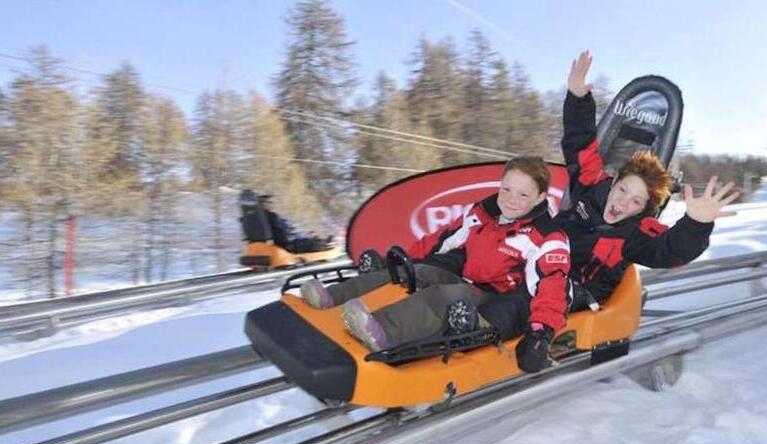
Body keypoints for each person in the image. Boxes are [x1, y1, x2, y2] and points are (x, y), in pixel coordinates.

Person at [300, 156, 571, 372]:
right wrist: (399, 262)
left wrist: (540, 334)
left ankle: (381, 332)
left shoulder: (548, 238)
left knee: (447, 296)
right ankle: (331, 297)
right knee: (419, 271)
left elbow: (552, 287)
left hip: (498, 300)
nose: (511, 199)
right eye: (506, 189)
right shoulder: (482, 213)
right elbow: (440, 240)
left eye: (523, 195)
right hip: (468, 279)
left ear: (540, 198)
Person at [557, 50, 740, 312]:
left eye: (636, 201)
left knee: (532, 296)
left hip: (574, 294)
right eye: (622, 189)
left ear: (644, 209)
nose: (623, 201)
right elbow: (579, 143)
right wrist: (578, 98)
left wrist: (696, 224)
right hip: (537, 262)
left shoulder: (636, 234)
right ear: (614, 180)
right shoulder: (590, 185)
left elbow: (671, 250)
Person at [259, 195, 331, 253]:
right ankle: (325, 244)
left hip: (280, 241)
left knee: (306, 237)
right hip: (285, 244)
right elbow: (280, 231)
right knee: (310, 242)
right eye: (270, 202)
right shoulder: (271, 216)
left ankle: (322, 241)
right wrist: (290, 234)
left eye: (272, 202)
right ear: (263, 204)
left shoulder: (260, 217)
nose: (272, 204)